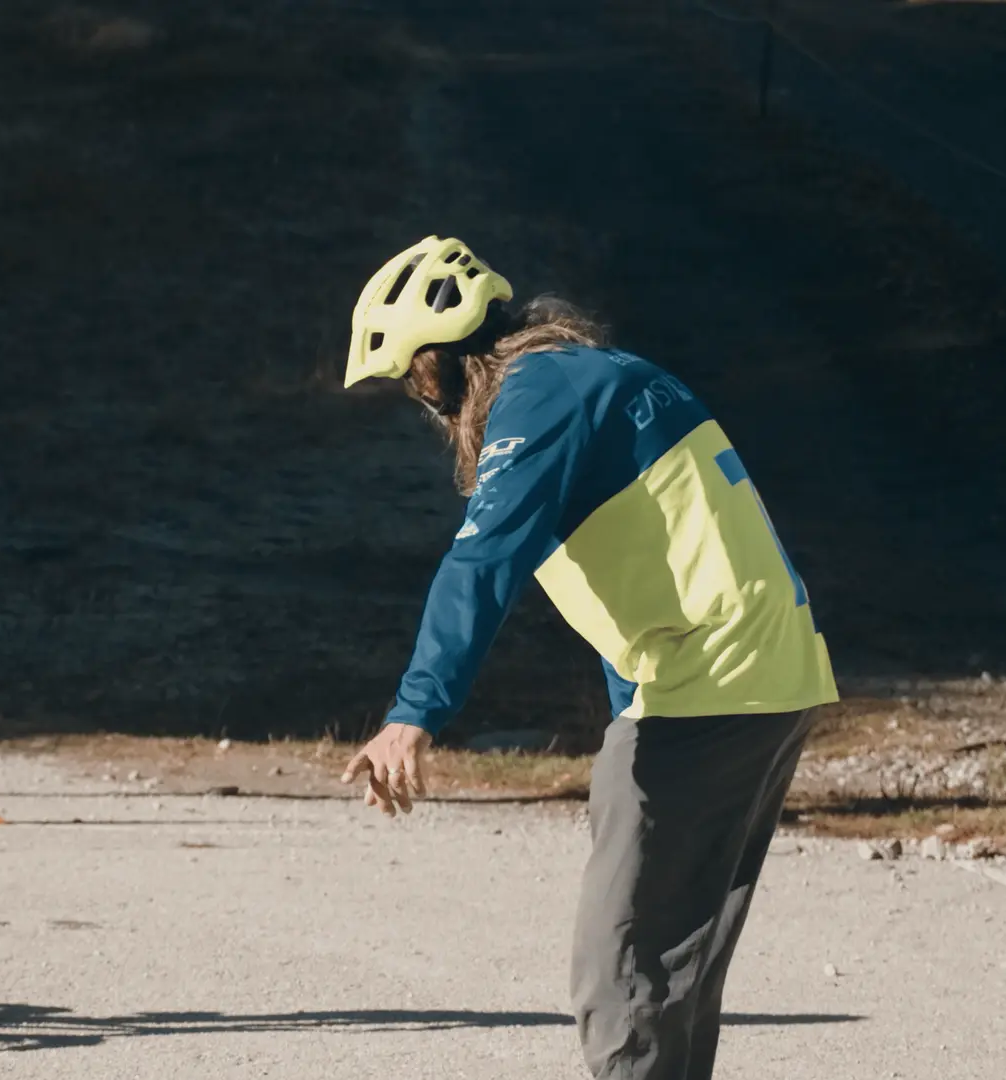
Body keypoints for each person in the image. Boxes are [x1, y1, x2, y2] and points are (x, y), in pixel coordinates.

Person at [337, 236, 838, 1080]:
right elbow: (656, 568)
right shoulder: (598, 375)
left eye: (411, 379)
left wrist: (412, 715)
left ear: (442, 357)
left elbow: (482, 560)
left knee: (622, 973)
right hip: (761, 678)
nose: (420, 404)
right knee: (674, 974)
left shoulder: (538, 399)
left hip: (710, 689)